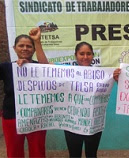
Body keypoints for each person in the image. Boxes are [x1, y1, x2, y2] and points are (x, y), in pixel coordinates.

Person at [29, 27, 102, 158]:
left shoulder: (101, 74)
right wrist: (37, 42)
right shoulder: (67, 71)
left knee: (92, 155)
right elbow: (44, 66)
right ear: (76, 55)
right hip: (71, 125)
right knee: (74, 155)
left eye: (89, 53)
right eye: (82, 53)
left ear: (93, 55)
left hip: (92, 125)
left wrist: (116, 75)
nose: (85, 57)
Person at [0, 34, 46, 157]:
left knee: (38, 152)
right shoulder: (6, 67)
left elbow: (48, 71)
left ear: (34, 49)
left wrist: (37, 42)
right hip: (11, 117)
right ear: (14, 48)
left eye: (29, 46)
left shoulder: (39, 66)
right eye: (21, 45)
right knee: (14, 152)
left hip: (37, 117)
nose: (25, 48)